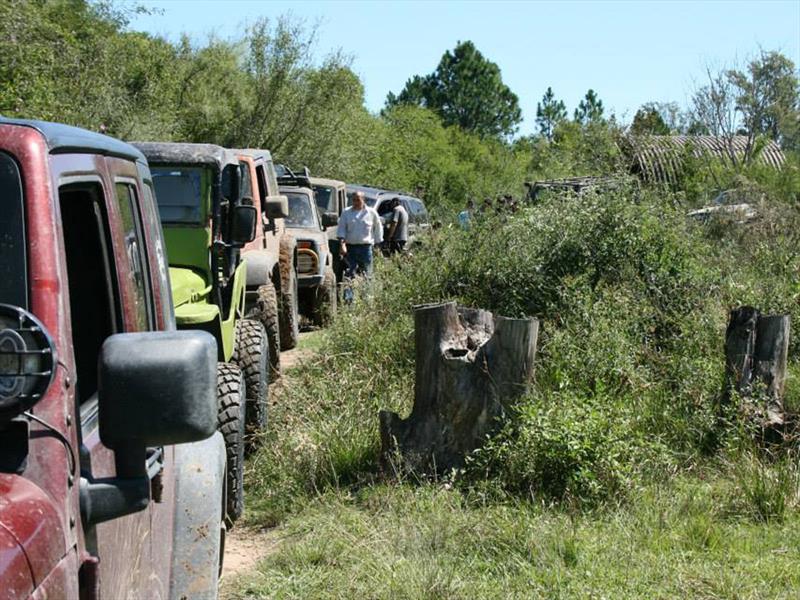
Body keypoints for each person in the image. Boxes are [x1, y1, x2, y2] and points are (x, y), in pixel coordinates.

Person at [337, 190, 383, 276]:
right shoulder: (346, 212)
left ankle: (367, 289)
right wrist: (342, 245)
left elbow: (378, 228)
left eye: (358, 200)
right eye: (354, 200)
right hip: (350, 248)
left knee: (367, 273)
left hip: (365, 248)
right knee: (350, 273)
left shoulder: (371, 213)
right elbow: (341, 229)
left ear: (363, 200)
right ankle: (349, 289)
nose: (356, 202)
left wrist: (378, 244)